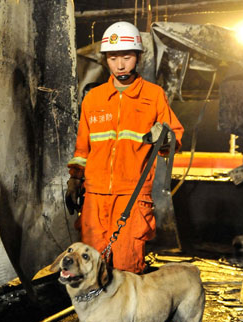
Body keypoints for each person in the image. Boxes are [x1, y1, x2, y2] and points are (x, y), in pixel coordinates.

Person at [65, 21, 184, 274]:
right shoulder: (93, 99)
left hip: (132, 197)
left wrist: (165, 139)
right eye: (113, 57)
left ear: (138, 57)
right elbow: (82, 149)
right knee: (90, 271)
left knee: (126, 270)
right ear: (106, 59)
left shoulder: (153, 96)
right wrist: (74, 180)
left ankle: (129, 315)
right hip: (94, 198)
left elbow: (174, 139)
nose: (120, 65)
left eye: (127, 57)